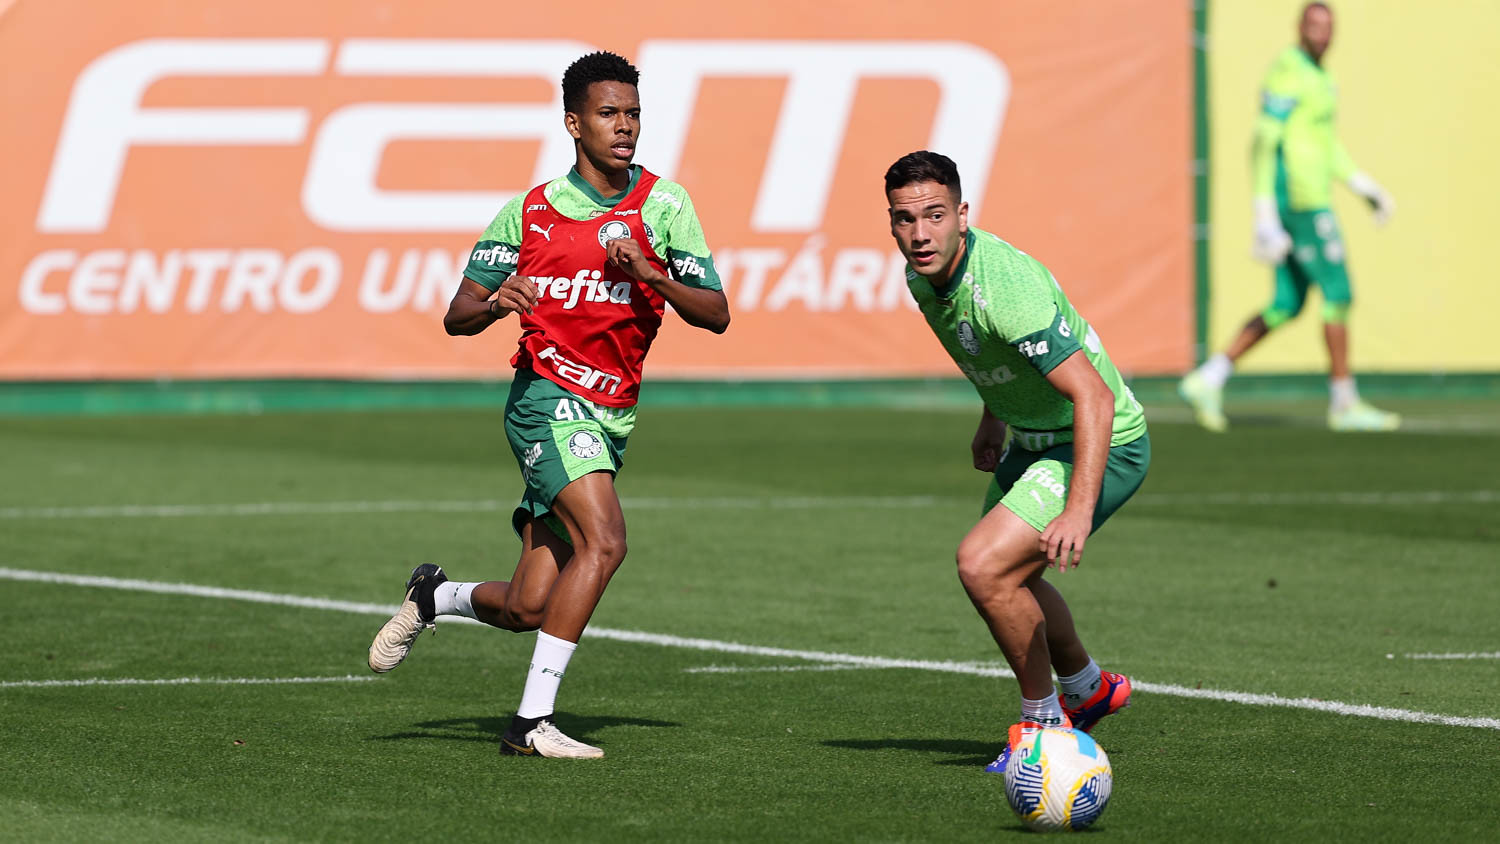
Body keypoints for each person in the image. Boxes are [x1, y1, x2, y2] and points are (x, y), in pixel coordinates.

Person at [367, 51, 729, 759]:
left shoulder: (665, 205)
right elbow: (457, 313)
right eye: (607, 113)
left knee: (531, 605)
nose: (623, 127)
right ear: (573, 123)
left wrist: (652, 273)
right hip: (545, 399)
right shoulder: (530, 213)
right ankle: (531, 724)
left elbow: (714, 313)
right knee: (607, 541)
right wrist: (497, 301)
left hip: (610, 413)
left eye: (632, 114)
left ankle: (434, 597)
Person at [883, 151, 1148, 773]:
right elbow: (988, 353)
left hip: (1096, 439)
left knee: (983, 566)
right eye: (904, 219)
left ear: (963, 215)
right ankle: (1088, 690)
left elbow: (1096, 397)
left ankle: (1044, 727)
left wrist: (1079, 509)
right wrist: (992, 415)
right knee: (1011, 578)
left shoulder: (1005, 289)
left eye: (935, 216)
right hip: (1031, 435)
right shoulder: (922, 276)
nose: (920, 234)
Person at [1180, 1, 1398, 432]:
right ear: (1299, 27)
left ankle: (1209, 377)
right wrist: (1264, 212)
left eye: (1328, 26)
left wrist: (1362, 185)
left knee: (1287, 304)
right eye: (1314, 24)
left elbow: (1325, 143)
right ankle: (1343, 401)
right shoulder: (1288, 71)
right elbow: (1264, 140)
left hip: (1312, 198)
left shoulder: (1321, 77)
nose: (1322, 33)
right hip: (1299, 204)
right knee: (1338, 293)